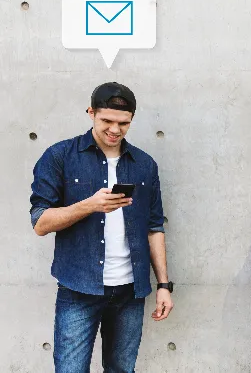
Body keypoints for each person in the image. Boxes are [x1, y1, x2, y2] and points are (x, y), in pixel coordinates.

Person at [29, 82, 174, 373]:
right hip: (78, 288)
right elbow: (40, 223)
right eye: (106, 120)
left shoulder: (145, 164)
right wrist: (89, 205)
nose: (115, 130)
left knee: (122, 370)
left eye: (124, 123)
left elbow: (154, 227)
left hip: (130, 292)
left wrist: (163, 285)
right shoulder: (60, 156)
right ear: (91, 112)